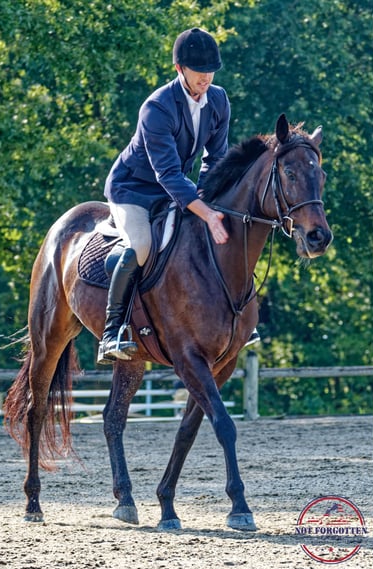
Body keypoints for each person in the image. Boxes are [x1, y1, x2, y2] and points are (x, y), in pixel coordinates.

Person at [98, 28, 258, 364]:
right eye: (199, 72)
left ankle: (238, 318)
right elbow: (167, 173)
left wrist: (211, 199)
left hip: (174, 188)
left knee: (224, 231)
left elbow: (216, 159)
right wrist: (205, 211)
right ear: (179, 69)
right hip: (134, 189)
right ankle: (113, 331)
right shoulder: (157, 108)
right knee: (141, 245)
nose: (206, 78)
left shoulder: (218, 100)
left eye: (210, 72)